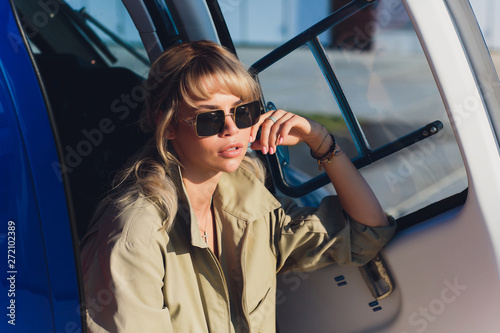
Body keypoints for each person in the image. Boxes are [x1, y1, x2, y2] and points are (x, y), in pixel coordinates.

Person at [80, 40, 396, 333]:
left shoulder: (252, 210)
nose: (232, 129)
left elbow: (365, 234)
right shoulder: (135, 233)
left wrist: (321, 142)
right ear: (169, 123)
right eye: (210, 119)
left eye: (243, 112)